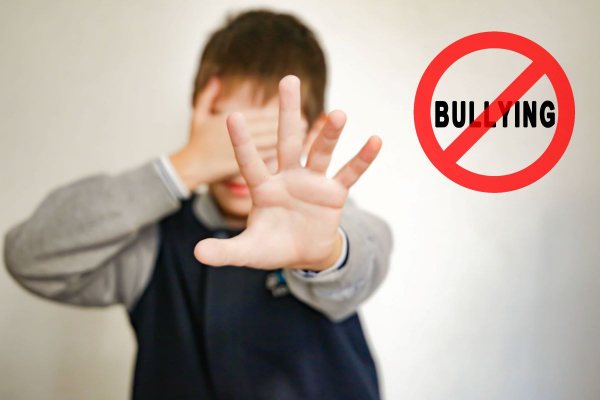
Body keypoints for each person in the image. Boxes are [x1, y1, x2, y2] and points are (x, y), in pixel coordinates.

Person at [4, 10, 393, 400]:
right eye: (226, 137)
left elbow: (367, 254)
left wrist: (325, 255)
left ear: (311, 132)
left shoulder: (332, 227)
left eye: (265, 139)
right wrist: (185, 165)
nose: (240, 163)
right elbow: (29, 257)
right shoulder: (153, 243)